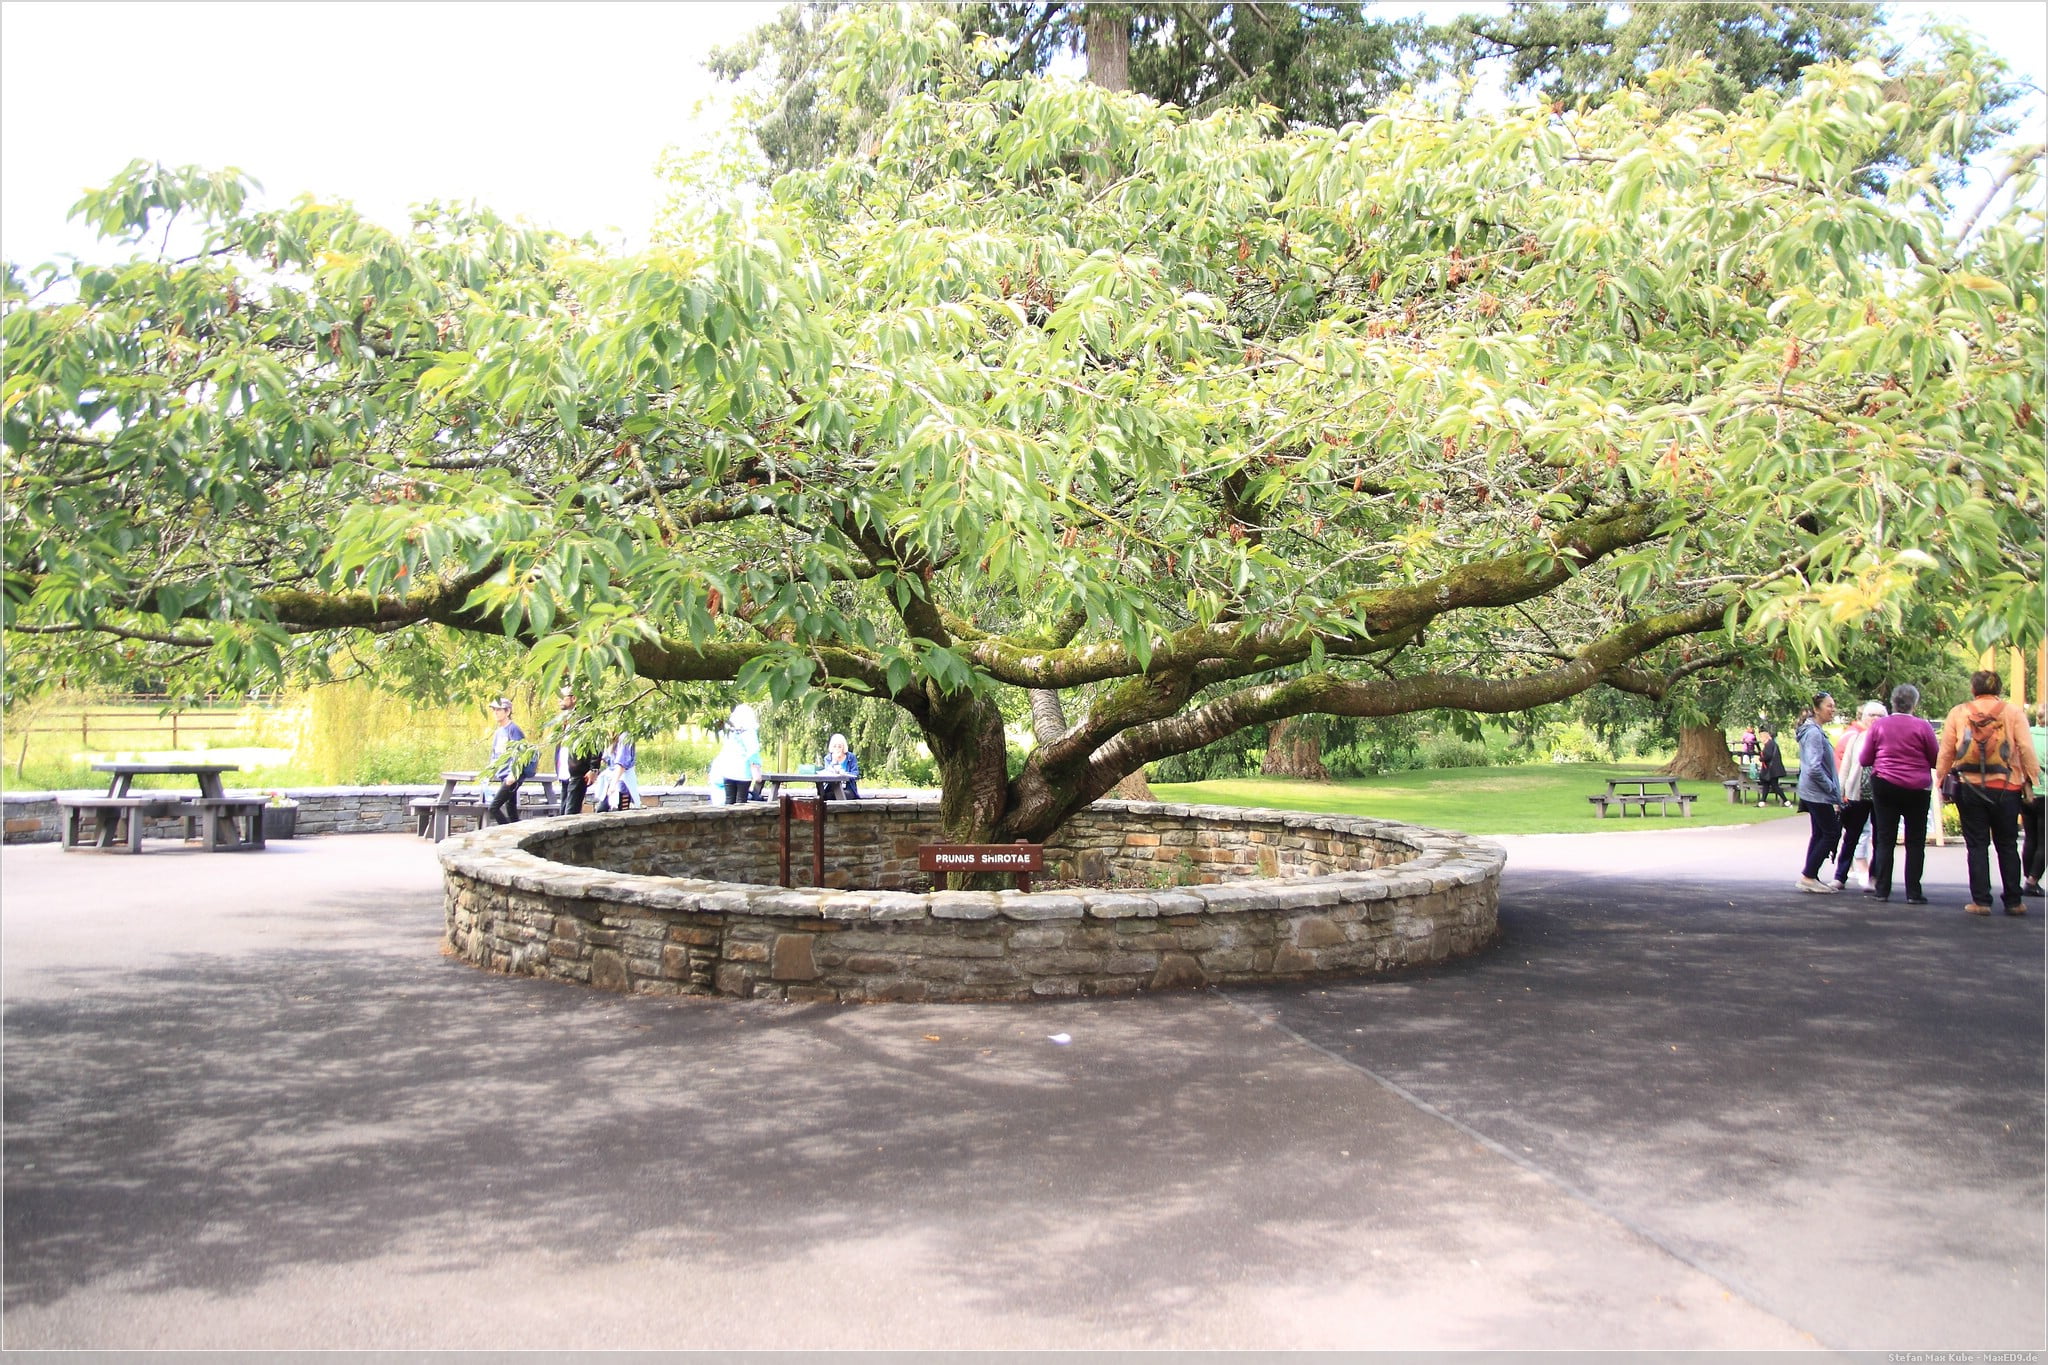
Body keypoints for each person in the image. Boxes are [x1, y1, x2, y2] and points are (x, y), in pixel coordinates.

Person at [1933, 669, 2042, 916]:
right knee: (2007, 844)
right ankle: (2014, 902)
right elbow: (2025, 747)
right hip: (2007, 788)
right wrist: (2031, 779)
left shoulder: (1959, 713)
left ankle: (1981, 901)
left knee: (1977, 845)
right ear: (1999, 690)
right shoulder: (2013, 712)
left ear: (1973, 689)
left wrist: (1940, 780)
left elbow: (1947, 751)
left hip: (1969, 787)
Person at [1861, 683, 1940, 905]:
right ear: (1914, 704)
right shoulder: (1923, 727)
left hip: (1885, 784)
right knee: (1916, 840)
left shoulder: (1879, 726)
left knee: (1885, 838)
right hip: (1917, 787)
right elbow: (1935, 758)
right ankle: (1913, 891)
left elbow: (1865, 758)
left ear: (1892, 703)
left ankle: (1882, 889)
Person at [1830, 700, 1886, 891]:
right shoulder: (1856, 739)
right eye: (1872, 715)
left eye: (1880, 715)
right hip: (1858, 794)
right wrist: (1840, 794)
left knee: (1880, 838)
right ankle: (1840, 876)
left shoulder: (1888, 740)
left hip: (1881, 795)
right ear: (1864, 718)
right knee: (1851, 836)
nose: (1875, 719)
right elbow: (1845, 768)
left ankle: (1875, 877)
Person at [1793, 694, 1842, 893]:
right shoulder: (1813, 733)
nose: (1833, 709)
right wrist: (1829, 786)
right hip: (1817, 792)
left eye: (1834, 706)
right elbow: (1814, 767)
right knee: (1831, 833)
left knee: (1820, 833)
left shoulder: (1815, 731)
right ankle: (1808, 875)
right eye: (1829, 706)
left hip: (1813, 791)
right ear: (1817, 708)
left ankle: (1810, 875)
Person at [483, 696, 535, 825]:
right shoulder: (499, 732)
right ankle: (517, 833)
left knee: (494, 807)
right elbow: (495, 755)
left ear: (507, 712)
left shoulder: (513, 730)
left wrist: (513, 774)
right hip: (503, 775)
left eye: (499, 710)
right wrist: (490, 771)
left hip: (511, 777)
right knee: (511, 809)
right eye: (494, 710)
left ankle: (506, 831)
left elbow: (521, 753)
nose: (495, 712)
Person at [550, 687, 600, 816]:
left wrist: (594, 768)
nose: (559, 700)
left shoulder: (585, 718)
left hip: (578, 772)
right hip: (565, 772)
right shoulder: (564, 719)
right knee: (562, 813)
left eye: (562, 697)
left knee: (570, 815)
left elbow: (596, 743)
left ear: (574, 698)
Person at [707, 704, 765, 805]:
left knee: (729, 801)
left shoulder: (730, 732)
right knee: (740, 803)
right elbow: (753, 751)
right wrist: (756, 770)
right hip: (743, 772)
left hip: (727, 770)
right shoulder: (750, 731)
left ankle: (726, 820)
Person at [2023, 700, 2045, 899]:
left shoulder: (2027, 734)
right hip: (2045, 793)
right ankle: (2032, 880)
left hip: (2026, 792)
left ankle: (2027, 877)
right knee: (2044, 840)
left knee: (2030, 838)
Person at [592, 730, 639, 812]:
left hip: (622, 781)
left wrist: (613, 784)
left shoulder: (625, 736)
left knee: (619, 812)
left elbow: (621, 764)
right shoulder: (611, 737)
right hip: (612, 777)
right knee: (601, 811)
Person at [818, 732, 861, 800]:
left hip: (848, 788)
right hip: (831, 787)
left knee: (844, 795)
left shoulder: (851, 757)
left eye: (839, 746)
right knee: (825, 796)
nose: (837, 748)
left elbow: (856, 774)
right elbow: (827, 774)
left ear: (843, 747)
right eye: (835, 746)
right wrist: (833, 762)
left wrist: (845, 775)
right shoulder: (828, 758)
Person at [1757, 727, 1788, 806]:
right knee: (1766, 784)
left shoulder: (1769, 744)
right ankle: (1762, 801)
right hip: (1773, 769)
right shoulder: (1772, 744)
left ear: (1764, 737)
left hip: (1772, 769)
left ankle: (1786, 801)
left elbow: (1768, 756)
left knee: (1775, 786)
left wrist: (1761, 758)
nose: (1760, 740)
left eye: (1761, 737)